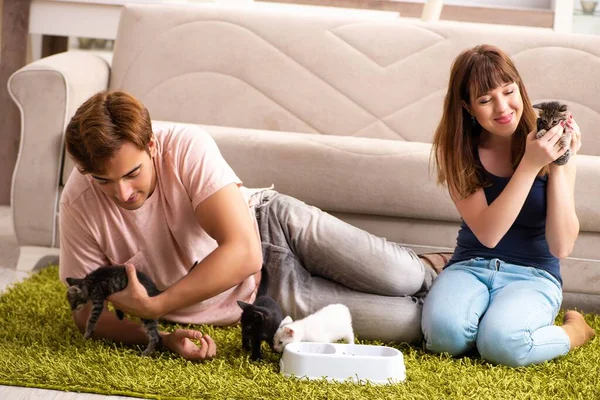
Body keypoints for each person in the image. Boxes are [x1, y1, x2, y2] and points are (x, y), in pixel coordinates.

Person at [59, 90, 438, 361]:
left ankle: (450, 266)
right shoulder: (78, 203)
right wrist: (160, 337)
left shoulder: (186, 146)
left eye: (132, 173)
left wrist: (156, 306)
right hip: (263, 299)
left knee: (404, 276)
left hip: (273, 225)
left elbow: (243, 252)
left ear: (152, 145)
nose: (122, 192)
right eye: (103, 180)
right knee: (416, 322)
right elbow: (83, 313)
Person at [422, 44, 595, 367]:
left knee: (501, 346)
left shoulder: (548, 139)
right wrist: (530, 166)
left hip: (534, 275)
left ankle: (574, 331)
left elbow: (562, 246)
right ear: (468, 107)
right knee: (444, 337)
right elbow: (489, 234)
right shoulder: (458, 149)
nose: (502, 108)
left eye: (508, 91)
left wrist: (556, 164)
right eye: (486, 100)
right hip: (471, 265)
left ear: (520, 88)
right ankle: (484, 315)